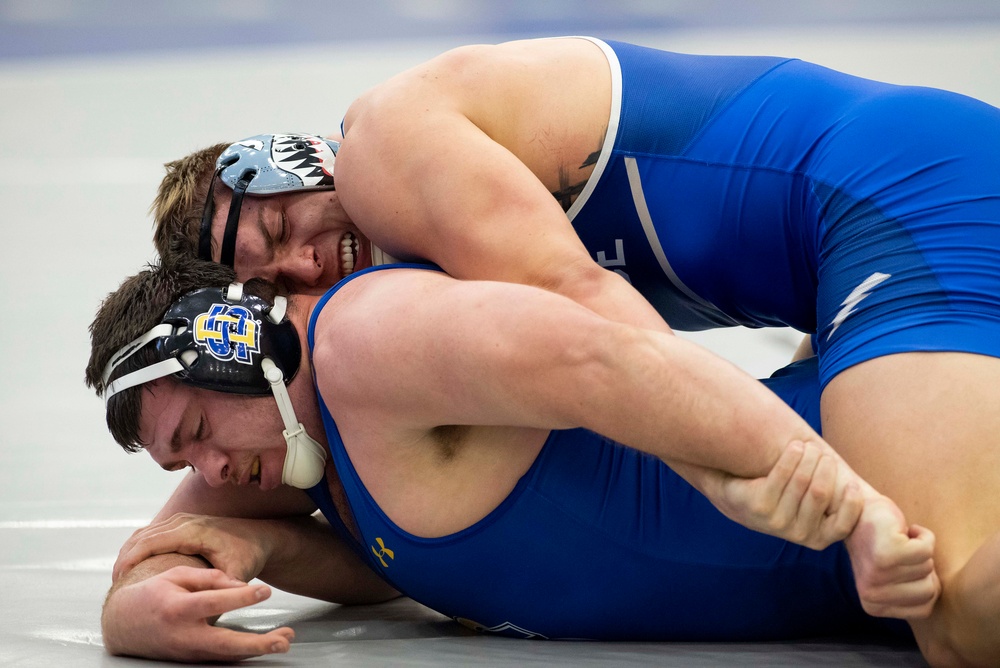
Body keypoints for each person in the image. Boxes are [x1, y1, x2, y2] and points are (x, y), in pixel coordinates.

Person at [149, 36, 1000, 665]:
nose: (304, 263)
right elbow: (182, 527)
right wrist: (143, 597)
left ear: (298, 164)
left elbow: (591, 313)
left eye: (280, 225)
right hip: (859, 227)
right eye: (270, 280)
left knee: (953, 611)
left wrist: (742, 472)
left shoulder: (384, 153)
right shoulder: (373, 303)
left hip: (894, 198)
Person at [86, 258, 938, 663]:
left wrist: (857, 509)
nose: (210, 470)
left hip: (874, 470)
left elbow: (609, 359)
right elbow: (153, 569)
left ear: (237, 348)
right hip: (850, 575)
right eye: (180, 460)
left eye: (197, 427)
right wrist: (133, 616)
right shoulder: (284, 450)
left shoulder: (365, 344)